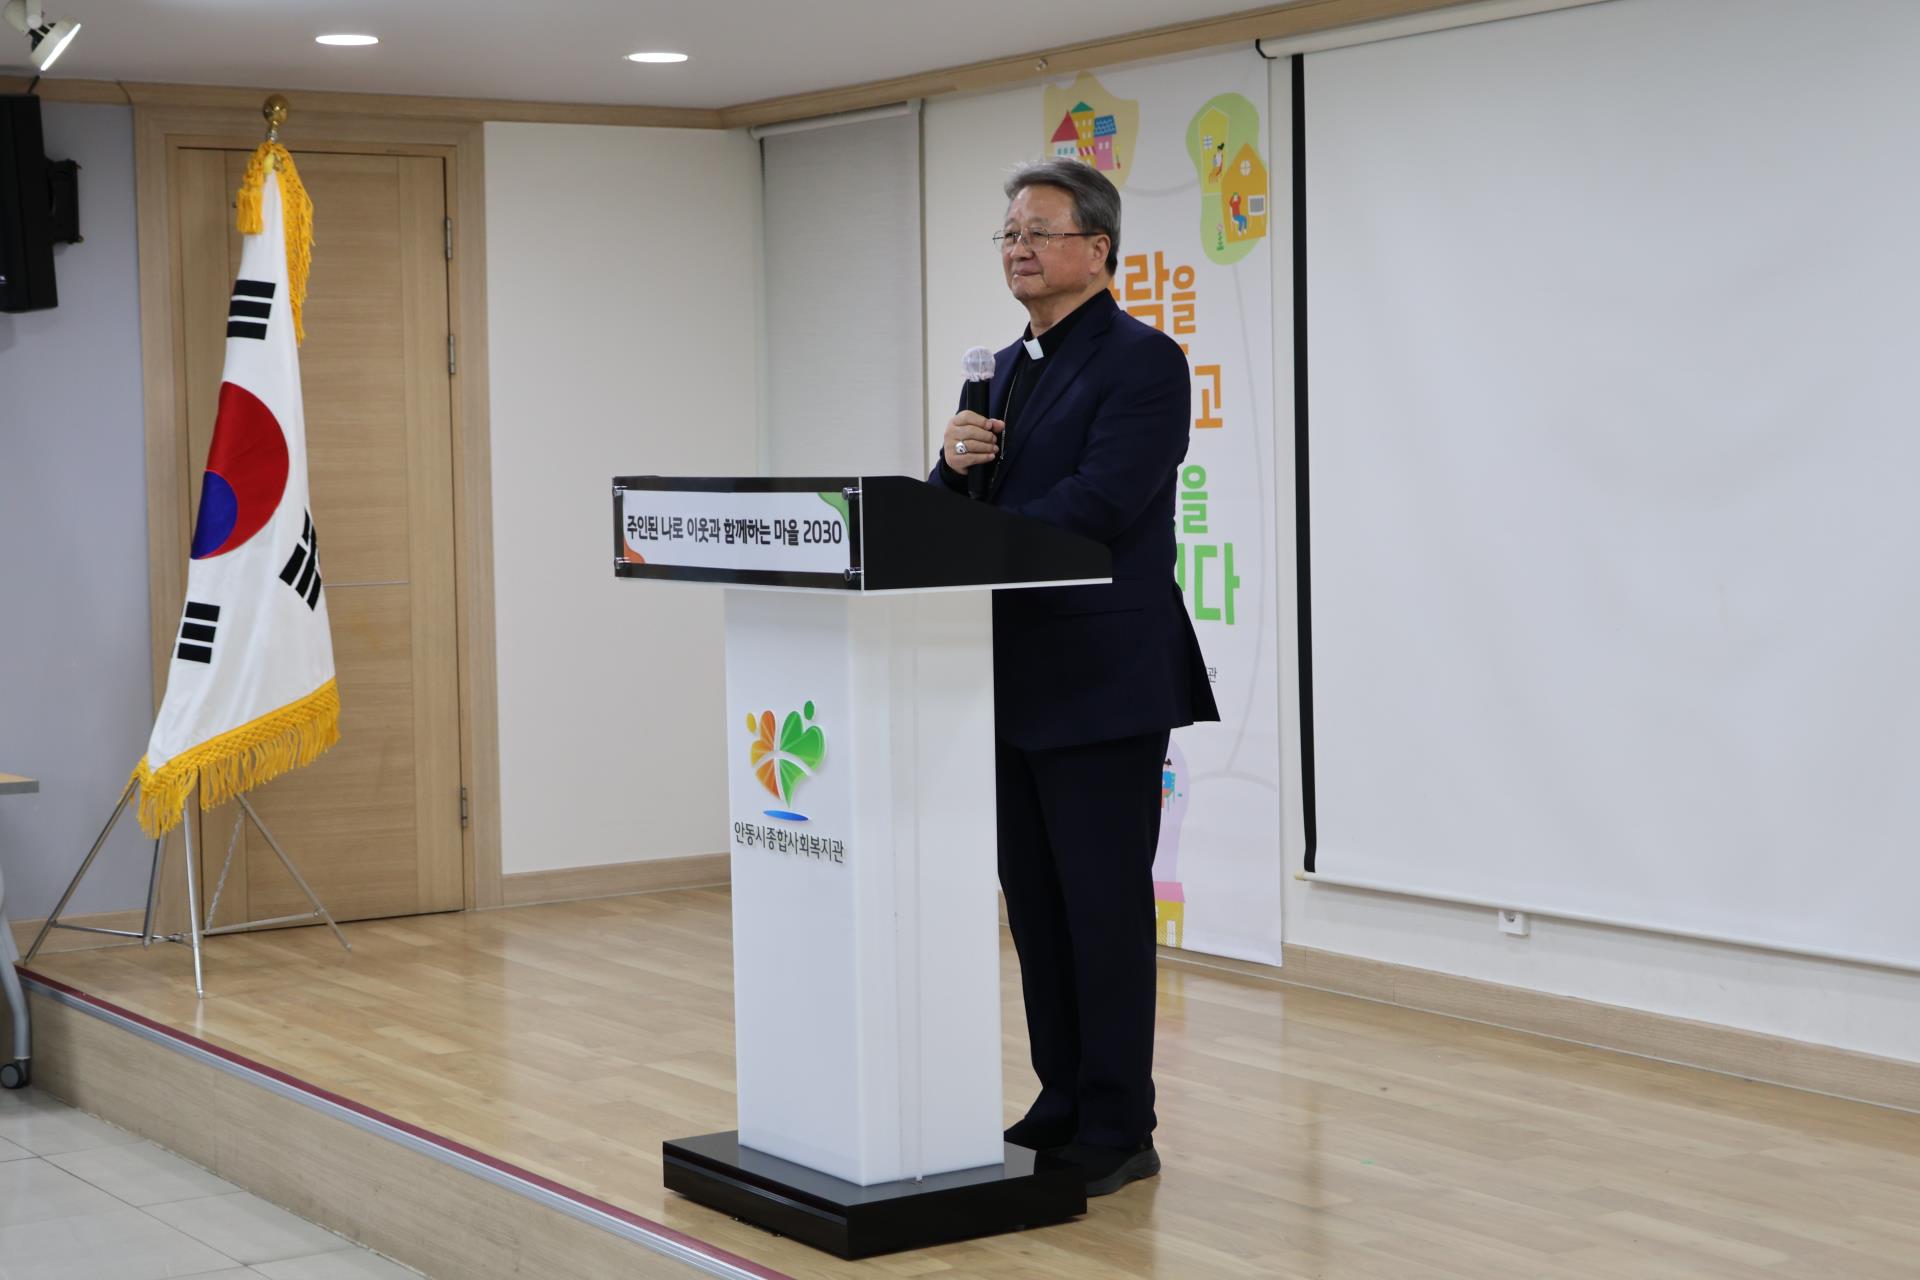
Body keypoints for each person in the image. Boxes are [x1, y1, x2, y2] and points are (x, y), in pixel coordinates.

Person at [931, 158, 1218, 1196]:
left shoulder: (1144, 361)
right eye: (1008, 232)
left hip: (1101, 678)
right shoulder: (1004, 368)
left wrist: (988, 527)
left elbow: (1101, 503)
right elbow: (947, 521)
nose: (1018, 247)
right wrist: (950, 467)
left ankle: (1119, 1120)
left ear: (1097, 249)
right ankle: (1061, 1094)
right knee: (1039, 907)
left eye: (1038, 231)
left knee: (1102, 906)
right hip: (1009, 678)